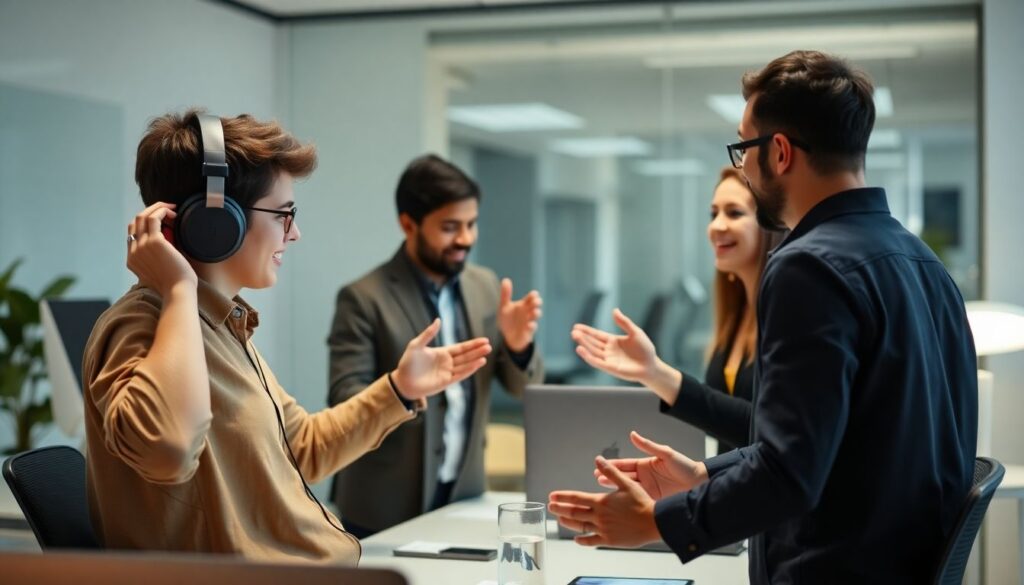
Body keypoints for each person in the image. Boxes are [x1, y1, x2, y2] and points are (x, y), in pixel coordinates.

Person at [548, 50, 978, 584]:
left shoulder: (807, 266)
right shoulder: (925, 263)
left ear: (778, 152)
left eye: (743, 149)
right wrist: (706, 473)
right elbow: (840, 442)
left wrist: (657, 521)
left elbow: (790, 474)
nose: (744, 169)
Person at [83, 111, 492, 564]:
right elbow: (169, 450)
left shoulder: (221, 325)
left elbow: (304, 447)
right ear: (215, 222)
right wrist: (179, 288)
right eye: (283, 215)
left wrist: (400, 389)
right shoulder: (140, 325)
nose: (294, 233)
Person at [327, 154, 544, 536]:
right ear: (408, 224)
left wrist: (518, 347)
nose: (465, 239)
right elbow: (345, 400)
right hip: (383, 506)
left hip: (463, 495)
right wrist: (403, 388)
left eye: (471, 224)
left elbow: (522, 388)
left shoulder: (485, 286)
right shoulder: (363, 298)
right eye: (449, 227)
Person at [572, 166, 783, 453]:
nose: (717, 226)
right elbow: (725, 427)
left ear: (769, 225)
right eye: (713, 214)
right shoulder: (735, 318)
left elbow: (766, 430)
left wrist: (656, 373)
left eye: (734, 213)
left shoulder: (782, 317)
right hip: (731, 479)